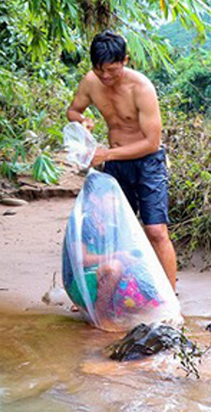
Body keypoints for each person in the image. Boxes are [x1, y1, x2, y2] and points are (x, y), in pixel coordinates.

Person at [67, 31, 176, 290]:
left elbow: (151, 142)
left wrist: (106, 155)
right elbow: (73, 110)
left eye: (112, 70)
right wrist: (82, 121)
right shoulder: (90, 83)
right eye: (100, 70)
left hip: (148, 163)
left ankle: (171, 296)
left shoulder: (142, 88)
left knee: (156, 231)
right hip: (116, 164)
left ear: (125, 60)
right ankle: (112, 291)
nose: (106, 77)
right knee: (114, 232)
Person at [62, 174, 167, 330]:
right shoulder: (84, 222)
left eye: (117, 199)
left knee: (143, 278)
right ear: (95, 200)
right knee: (114, 266)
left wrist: (129, 257)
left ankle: (114, 308)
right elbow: (80, 260)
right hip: (81, 281)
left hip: (102, 276)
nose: (116, 204)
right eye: (111, 200)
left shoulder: (112, 223)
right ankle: (100, 315)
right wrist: (117, 257)